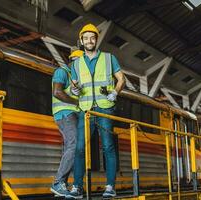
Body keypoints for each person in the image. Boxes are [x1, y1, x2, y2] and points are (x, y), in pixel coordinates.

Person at [67, 23, 125, 199]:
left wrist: (115, 92)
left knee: (107, 146)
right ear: (82, 41)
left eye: (92, 37)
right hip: (86, 111)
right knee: (79, 148)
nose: (89, 40)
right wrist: (74, 90)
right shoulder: (76, 64)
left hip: (105, 109)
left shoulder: (109, 58)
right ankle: (77, 187)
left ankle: (110, 186)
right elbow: (73, 87)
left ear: (96, 40)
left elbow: (122, 79)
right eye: (86, 38)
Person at [50, 50, 84, 197]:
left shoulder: (76, 79)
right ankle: (58, 182)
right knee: (74, 145)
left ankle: (65, 185)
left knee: (75, 147)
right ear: (73, 60)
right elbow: (57, 92)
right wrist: (77, 102)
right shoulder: (62, 71)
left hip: (72, 115)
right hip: (65, 115)